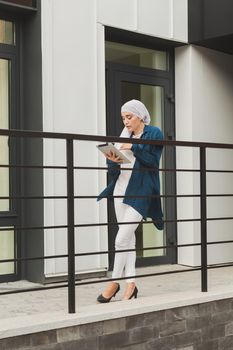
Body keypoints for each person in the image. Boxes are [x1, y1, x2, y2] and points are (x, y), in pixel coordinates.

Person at [97, 99, 164, 303]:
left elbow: (152, 161)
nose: (126, 122)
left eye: (129, 117)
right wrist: (112, 157)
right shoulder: (123, 137)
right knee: (128, 240)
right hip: (120, 190)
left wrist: (133, 146)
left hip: (141, 191)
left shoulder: (154, 133)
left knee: (120, 239)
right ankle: (131, 284)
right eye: (123, 118)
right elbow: (113, 171)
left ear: (140, 116)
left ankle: (114, 282)